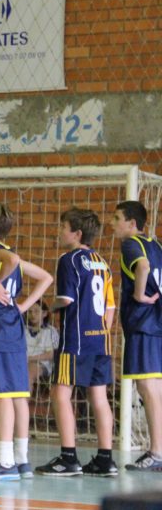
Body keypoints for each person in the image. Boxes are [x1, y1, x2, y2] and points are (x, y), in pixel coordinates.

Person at [0, 200, 53, 481]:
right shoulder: (7, 250)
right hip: (14, 331)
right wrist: (23, 307)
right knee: (18, 396)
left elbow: (12, 262)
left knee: (1, 395)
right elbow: (45, 277)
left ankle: (4, 462)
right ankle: (22, 461)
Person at [35, 208, 117, 477]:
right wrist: (101, 330)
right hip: (101, 341)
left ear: (77, 233)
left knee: (61, 393)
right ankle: (106, 459)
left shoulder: (69, 259)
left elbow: (67, 300)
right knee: (99, 396)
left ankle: (68, 457)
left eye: (63, 227)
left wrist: (53, 307)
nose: (59, 231)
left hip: (76, 340)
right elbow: (110, 308)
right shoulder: (102, 262)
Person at [111, 200, 162, 472]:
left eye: (117, 218)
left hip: (144, 323)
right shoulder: (157, 245)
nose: (113, 223)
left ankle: (156, 451)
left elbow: (142, 268)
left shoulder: (131, 244)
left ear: (132, 224)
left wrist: (140, 295)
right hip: (156, 323)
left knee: (148, 388)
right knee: (154, 386)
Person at [25, 301, 59, 391]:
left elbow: (51, 354)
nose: (32, 315)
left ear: (44, 313)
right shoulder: (23, 330)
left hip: (41, 364)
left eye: (36, 311)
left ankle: (23, 404)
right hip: (21, 361)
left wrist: (29, 359)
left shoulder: (50, 331)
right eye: (30, 311)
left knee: (28, 372)